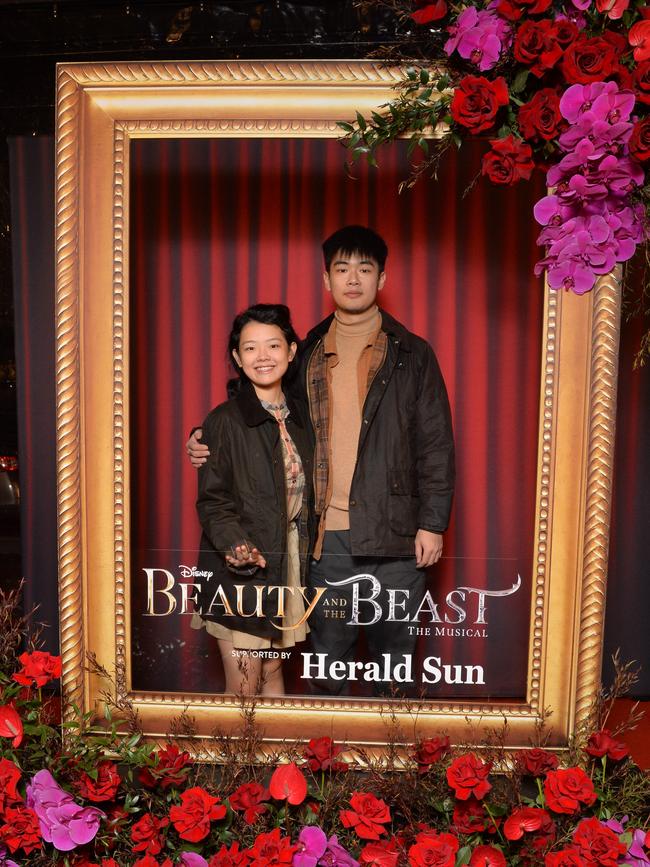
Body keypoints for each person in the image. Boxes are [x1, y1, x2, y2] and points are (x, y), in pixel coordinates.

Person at [188, 226, 454, 696]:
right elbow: (263, 397)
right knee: (328, 662)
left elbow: (436, 443)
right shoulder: (307, 349)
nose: (353, 279)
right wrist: (206, 435)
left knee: (394, 663)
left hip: (397, 538)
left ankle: (390, 764)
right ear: (326, 279)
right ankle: (332, 767)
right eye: (342, 269)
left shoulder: (412, 354)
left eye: (365, 269)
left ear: (382, 277)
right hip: (324, 539)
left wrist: (432, 523)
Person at [192, 303, 314, 696]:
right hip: (240, 569)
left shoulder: (303, 418)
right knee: (243, 686)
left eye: (273, 346)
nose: (263, 357)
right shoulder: (224, 420)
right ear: (237, 358)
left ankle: (280, 761)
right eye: (250, 348)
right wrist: (238, 546)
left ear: (291, 351)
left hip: (287, 562)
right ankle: (234, 760)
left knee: (273, 671)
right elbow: (213, 501)